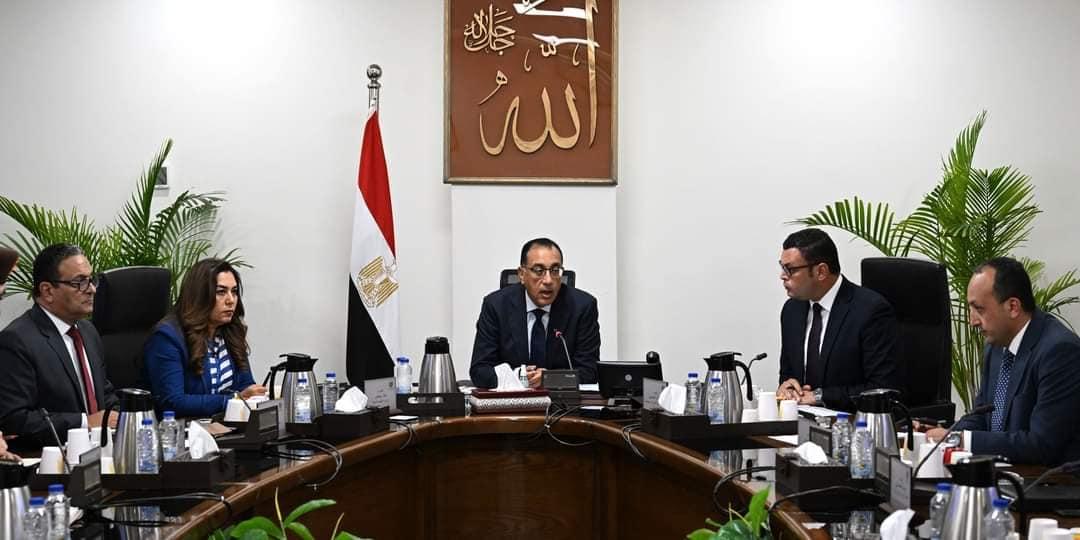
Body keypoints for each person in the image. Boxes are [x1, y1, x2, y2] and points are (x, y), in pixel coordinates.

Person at [926, 257, 1080, 465]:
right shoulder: (997, 344)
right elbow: (981, 416)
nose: (972, 321)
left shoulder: (1059, 351)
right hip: (1002, 471)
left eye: (979, 309)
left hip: (1047, 479)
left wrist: (961, 440)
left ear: (1013, 307)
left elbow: (1041, 445)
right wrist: (943, 433)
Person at [0, 244, 118, 448]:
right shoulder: (17, 340)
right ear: (47, 291)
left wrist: (120, 415)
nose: (92, 289)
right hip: (49, 458)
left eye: (91, 280)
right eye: (79, 282)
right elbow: (15, 420)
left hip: (102, 452)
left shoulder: (88, 331)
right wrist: (85, 423)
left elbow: (104, 395)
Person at [777, 228, 899, 410]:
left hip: (852, 421)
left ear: (821, 272)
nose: (783, 276)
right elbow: (788, 374)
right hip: (801, 420)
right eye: (782, 267)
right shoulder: (792, 310)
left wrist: (819, 396)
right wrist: (787, 387)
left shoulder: (870, 311)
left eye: (790, 269)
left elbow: (882, 388)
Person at [470, 238, 600, 388]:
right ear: (521, 274)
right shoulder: (496, 306)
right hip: (511, 400)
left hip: (561, 400)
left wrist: (550, 379)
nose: (548, 280)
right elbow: (480, 371)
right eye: (539, 271)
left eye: (555, 270)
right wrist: (519, 377)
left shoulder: (582, 307)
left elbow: (590, 372)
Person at [143, 259, 266, 418]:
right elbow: (173, 402)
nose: (231, 300)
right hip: (184, 428)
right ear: (200, 295)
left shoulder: (231, 331)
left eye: (234, 291)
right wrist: (233, 400)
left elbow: (245, 384)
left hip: (225, 424)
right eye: (221, 292)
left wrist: (256, 395)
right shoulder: (167, 337)